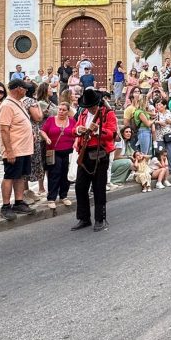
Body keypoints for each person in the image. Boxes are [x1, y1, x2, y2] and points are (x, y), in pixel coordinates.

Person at [70, 88, 117, 232]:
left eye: (92, 106)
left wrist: (97, 130)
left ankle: (100, 219)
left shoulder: (108, 113)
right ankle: (84, 218)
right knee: (80, 187)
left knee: (98, 187)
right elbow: (74, 129)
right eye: (88, 106)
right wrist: (79, 130)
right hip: (84, 153)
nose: (90, 109)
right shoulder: (83, 113)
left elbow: (112, 134)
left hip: (100, 153)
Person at [0, 79, 38, 220]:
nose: (26, 90)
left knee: (21, 176)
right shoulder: (7, 105)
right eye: (24, 88)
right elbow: (3, 129)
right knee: (9, 176)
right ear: (17, 89)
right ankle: (6, 205)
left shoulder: (18, 103)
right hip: (14, 149)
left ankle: (19, 202)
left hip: (24, 149)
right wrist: (9, 151)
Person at [40, 102, 76, 210]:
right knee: (54, 173)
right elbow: (42, 131)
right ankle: (51, 198)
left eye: (64, 110)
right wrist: (46, 138)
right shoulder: (51, 120)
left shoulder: (72, 121)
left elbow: (77, 133)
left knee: (66, 173)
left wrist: (76, 142)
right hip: (54, 151)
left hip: (68, 151)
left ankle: (63, 196)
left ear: (68, 111)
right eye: (59, 109)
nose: (61, 111)